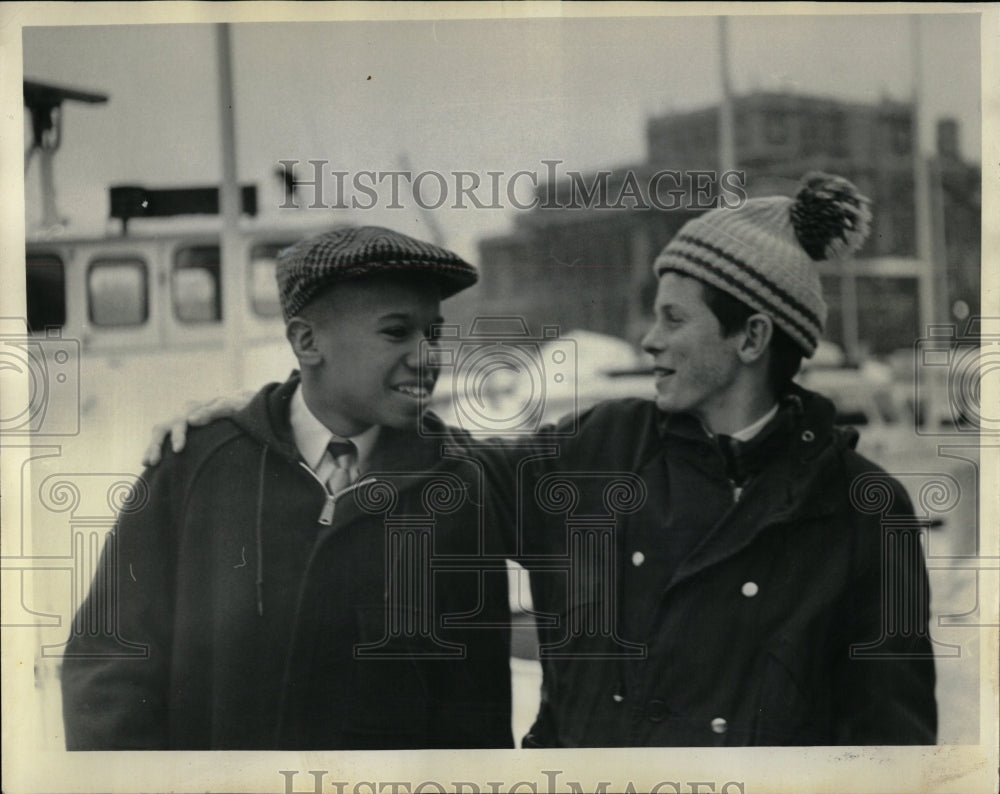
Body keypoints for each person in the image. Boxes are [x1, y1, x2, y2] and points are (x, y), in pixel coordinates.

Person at [143, 174, 938, 746]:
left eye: (672, 319)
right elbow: (445, 463)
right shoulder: (602, 449)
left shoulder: (866, 512)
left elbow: (895, 743)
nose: (649, 340)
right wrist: (266, 418)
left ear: (753, 338)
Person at [61, 226, 514, 750]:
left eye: (433, 333)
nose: (427, 356)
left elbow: (474, 712)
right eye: (396, 332)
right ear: (306, 341)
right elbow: (107, 666)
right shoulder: (195, 467)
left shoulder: (455, 487)